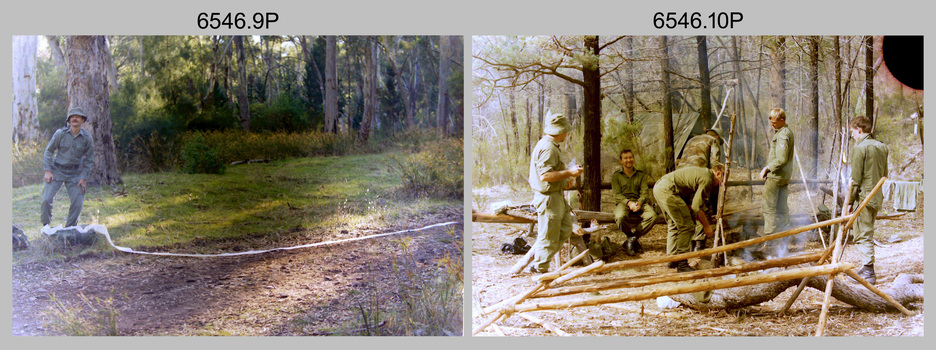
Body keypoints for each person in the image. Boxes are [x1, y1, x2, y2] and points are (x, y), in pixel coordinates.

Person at [527, 112, 584, 273]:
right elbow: (545, 176)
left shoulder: (550, 146)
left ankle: (539, 261)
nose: (567, 134)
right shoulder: (548, 148)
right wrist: (569, 173)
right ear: (560, 131)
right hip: (548, 199)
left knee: (566, 228)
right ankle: (541, 270)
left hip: (556, 196)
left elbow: (552, 173)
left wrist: (565, 180)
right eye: (565, 130)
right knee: (548, 236)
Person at [652, 165, 725, 272]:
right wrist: (706, 226)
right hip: (668, 190)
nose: (721, 183)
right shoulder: (707, 179)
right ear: (718, 174)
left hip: (660, 188)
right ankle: (682, 263)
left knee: (674, 223)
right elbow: (696, 208)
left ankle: (672, 259)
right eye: (722, 179)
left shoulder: (702, 173)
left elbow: (691, 205)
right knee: (687, 225)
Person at [847, 116, 888, 284]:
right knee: (867, 231)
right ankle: (866, 268)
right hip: (877, 195)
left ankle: (868, 271)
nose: (852, 136)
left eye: (852, 132)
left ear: (859, 130)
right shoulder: (882, 147)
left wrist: (849, 201)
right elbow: (885, 174)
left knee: (863, 233)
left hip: (864, 197)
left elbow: (855, 179)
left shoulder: (860, 148)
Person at [41, 107, 94, 228]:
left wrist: (84, 178)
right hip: (57, 170)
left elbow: (89, 160)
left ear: (82, 120)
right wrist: (48, 171)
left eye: (78, 117)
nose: (75, 118)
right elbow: (48, 151)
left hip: (75, 173)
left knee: (78, 203)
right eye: (72, 117)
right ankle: (46, 227)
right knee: (46, 199)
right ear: (69, 120)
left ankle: (69, 229)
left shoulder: (87, 138)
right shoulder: (61, 134)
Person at [676, 127, 723, 251]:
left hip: (680, 176)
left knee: (687, 208)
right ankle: (698, 243)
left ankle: (688, 242)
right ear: (717, 136)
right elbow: (715, 163)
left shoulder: (692, 139)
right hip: (698, 175)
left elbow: (680, 159)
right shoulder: (713, 140)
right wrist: (719, 179)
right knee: (701, 207)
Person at [759, 108, 794, 254]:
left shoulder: (783, 135)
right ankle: (783, 242)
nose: (772, 125)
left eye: (774, 123)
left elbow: (781, 158)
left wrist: (767, 168)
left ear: (782, 120)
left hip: (776, 177)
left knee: (769, 209)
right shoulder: (784, 132)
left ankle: (770, 243)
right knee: (782, 209)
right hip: (783, 177)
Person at [610, 149, 657, 256]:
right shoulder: (616, 176)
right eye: (625, 158)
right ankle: (631, 238)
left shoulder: (640, 175)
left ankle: (632, 239)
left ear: (633, 159)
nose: (628, 160)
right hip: (623, 203)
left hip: (639, 203)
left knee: (653, 216)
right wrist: (629, 203)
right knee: (620, 217)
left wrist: (639, 203)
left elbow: (645, 193)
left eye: (630, 157)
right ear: (621, 161)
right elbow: (617, 195)